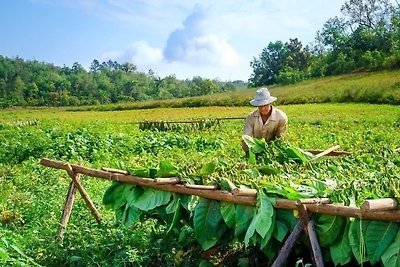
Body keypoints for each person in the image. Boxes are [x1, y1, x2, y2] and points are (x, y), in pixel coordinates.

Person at [242, 88, 288, 153]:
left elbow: (280, 139)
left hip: (274, 150)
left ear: (270, 103)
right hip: (255, 149)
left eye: (265, 105)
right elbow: (246, 138)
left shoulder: (281, 117)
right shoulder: (250, 118)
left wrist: (274, 152)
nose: (263, 109)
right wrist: (249, 153)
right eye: (260, 106)